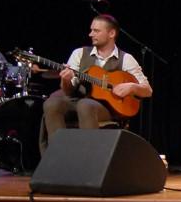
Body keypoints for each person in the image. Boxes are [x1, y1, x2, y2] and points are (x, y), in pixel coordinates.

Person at [42, 14, 152, 142]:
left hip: (108, 108)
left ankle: (90, 157)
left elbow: (147, 90)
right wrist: (65, 80)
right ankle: (58, 154)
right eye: (91, 30)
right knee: (51, 104)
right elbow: (68, 91)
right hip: (78, 100)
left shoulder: (126, 59)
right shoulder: (79, 53)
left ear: (111, 33)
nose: (90, 34)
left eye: (96, 31)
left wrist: (132, 87)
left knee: (85, 105)